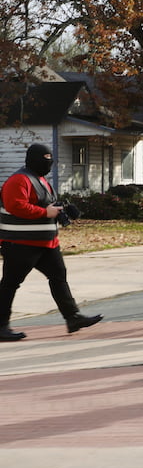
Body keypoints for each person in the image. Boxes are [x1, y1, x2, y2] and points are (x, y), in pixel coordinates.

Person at [0, 143, 103, 341]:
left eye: (50, 159)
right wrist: (45, 212)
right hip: (20, 243)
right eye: (44, 159)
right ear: (33, 159)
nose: (48, 163)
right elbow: (16, 206)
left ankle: (73, 318)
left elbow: (42, 205)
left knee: (59, 277)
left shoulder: (40, 180)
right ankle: (1, 326)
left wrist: (61, 209)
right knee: (10, 284)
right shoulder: (19, 180)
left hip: (46, 243)